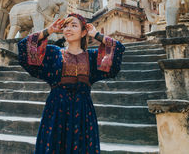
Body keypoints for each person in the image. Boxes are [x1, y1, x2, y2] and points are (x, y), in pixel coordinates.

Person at [18, 13, 125, 154]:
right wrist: (49, 30)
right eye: (65, 26)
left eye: (74, 25)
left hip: (83, 111)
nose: (68, 29)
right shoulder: (53, 53)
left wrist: (96, 35)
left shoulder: (92, 57)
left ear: (83, 32)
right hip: (56, 110)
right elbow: (24, 46)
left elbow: (117, 49)